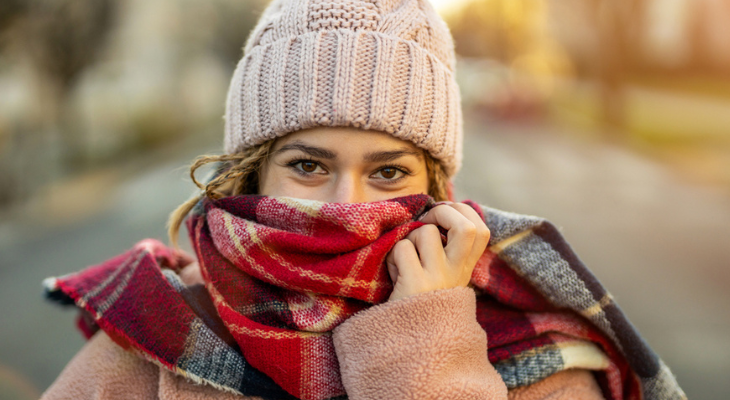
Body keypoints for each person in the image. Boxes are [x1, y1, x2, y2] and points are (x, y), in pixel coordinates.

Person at [41, 1, 685, 399]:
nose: (343, 205)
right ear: (253, 174)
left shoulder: (538, 354)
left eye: (387, 173)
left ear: (434, 190)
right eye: (307, 165)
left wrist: (425, 348)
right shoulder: (155, 338)